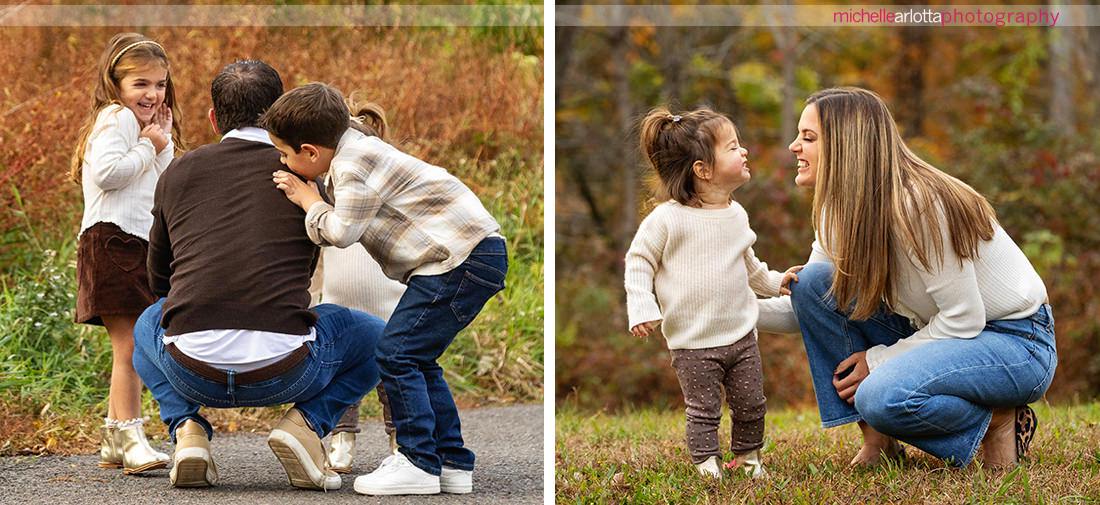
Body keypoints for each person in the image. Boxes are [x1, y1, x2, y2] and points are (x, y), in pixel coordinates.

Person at [131, 60, 384, 491]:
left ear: (213, 118)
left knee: (146, 323)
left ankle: (187, 431)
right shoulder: (301, 174)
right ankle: (306, 424)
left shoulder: (178, 171)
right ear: (279, 114)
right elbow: (303, 272)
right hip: (285, 370)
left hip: (191, 368)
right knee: (380, 336)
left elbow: (159, 277)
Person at [774, 87, 1055, 468]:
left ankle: (998, 419)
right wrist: (717, 311)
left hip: (1016, 342)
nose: (794, 146)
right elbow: (810, 306)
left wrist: (878, 359)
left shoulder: (917, 204)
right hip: (940, 333)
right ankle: (880, 442)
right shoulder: (838, 208)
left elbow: (963, 318)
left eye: (808, 138)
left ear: (846, 146)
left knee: (879, 395)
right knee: (811, 282)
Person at [264, 83, 506, 495]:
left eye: (285, 154)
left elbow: (341, 232)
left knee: (394, 352)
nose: (283, 162)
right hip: (466, 256)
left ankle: (417, 462)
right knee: (418, 356)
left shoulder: (352, 165)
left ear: (310, 152)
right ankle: (451, 461)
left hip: (460, 259)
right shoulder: (353, 146)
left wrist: (308, 200)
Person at [624, 106, 800, 479]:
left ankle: (748, 459)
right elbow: (639, 262)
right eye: (733, 147)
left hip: (741, 335)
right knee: (704, 409)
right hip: (693, 342)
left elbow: (748, 265)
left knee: (751, 404)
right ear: (702, 170)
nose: (744, 152)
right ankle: (707, 463)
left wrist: (776, 282)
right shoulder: (667, 219)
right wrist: (642, 305)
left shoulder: (736, 214)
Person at [70, 32, 183, 475]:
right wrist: (149, 145)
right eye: (141, 83)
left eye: (159, 84)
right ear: (116, 84)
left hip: (134, 241)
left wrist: (164, 142)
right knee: (132, 345)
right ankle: (133, 440)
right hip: (111, 240)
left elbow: (161, 184)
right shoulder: (115, 118)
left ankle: (115, 440)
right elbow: (109, 174)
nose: (152, 94)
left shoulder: (139, 126)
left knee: (131, 343)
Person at [308, 240, 404, 473]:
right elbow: (315, 264)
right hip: (340, 314)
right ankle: (341, 440)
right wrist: (308, 303)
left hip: (393, 308)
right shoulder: (326, 208)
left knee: (395, 383)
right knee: (342, 381)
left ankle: (401, 443)